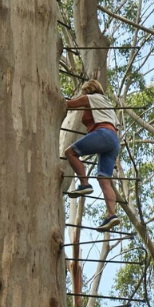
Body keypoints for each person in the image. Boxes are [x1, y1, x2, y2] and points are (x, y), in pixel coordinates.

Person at [64, 79, 121, 230]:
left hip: (103, 133)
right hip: (114, 141)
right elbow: (117, 129)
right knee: (104, 179)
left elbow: (68, 105)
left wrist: (60, 100)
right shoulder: (108, 105)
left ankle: (84, 183)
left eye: (83, 91)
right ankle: (111, 215)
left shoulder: (90, 97)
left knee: (70, 152)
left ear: (88, 90)